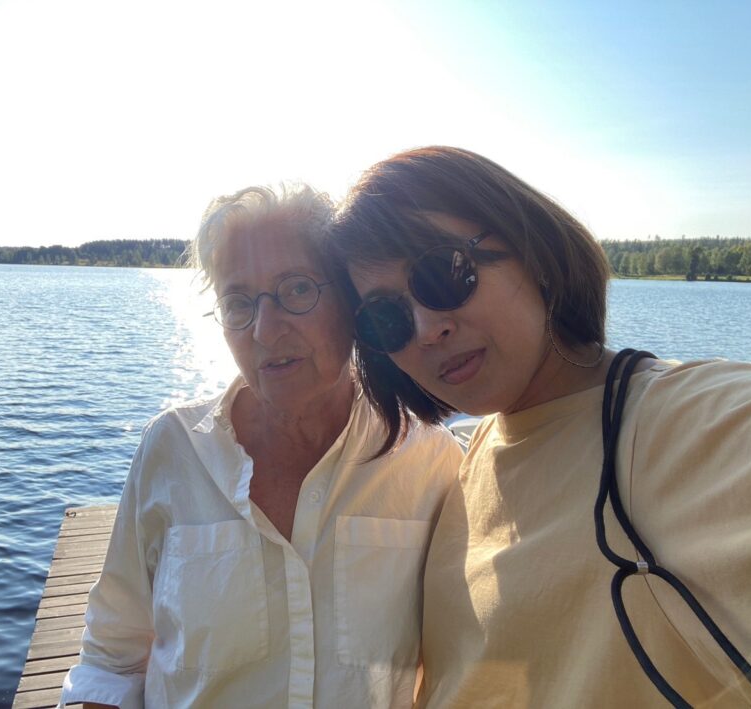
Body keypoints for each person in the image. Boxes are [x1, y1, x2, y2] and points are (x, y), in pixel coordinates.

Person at [328, 146, 751, 708]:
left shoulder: (700, 424)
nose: (427, 328)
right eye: (385, 317)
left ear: (533, 253)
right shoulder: (472, 457)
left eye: (444, 274)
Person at [58, 184, 463, 709]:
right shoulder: (173, 448)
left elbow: (463, 662)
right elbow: (112, 656)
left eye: (296, 289)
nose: (265, 330)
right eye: (238, 303)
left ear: (350, 299)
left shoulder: (430, 462)